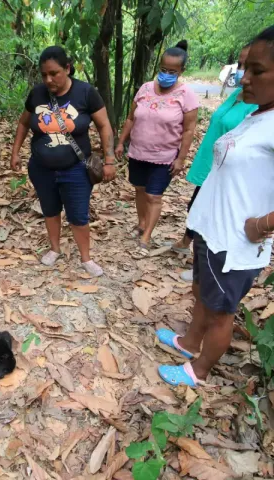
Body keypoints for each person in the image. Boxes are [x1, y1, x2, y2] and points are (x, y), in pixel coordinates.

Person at [156, 25, 274, 387]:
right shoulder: (258, 114)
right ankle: (191, 342)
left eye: (257, 70)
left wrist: (266, 223)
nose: (244, 79)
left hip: (236, 242)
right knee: (203, 295)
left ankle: (200, 370)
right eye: (244, 69)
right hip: (213, 230)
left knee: (222, 311)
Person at [11, 46, 116, 277]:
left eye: (54, 73)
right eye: (44, 74)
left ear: (67, 69)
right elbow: (23, 123)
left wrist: (110, 159)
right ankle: (54, 249)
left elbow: (104, 125)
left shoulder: (86, 93)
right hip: (41, 168)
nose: (49, 79)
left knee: (78, 215)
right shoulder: (37, 94)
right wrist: (15, 152)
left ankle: (86, 258)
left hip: (76, 168)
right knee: (50, 210)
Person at [170, 43, 258, 282]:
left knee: (213, 219)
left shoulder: (259, 106)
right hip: (211, 165)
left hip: (230, 173)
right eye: (239, 64)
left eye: (248, 66)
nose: (241, 71)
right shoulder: (235, 96)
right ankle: (198, 263)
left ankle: (205, 269)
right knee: (198, 210)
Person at [115, 40, 199, 257]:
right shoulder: (144, 88)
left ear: (181, 71)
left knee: (154, 196)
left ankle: (147, 236)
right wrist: (120, 142)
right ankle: (142, 223)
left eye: (172, 71)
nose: (166, 74)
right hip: (138, 153)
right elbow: (131, 118)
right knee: (140, 190)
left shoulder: (186, 94)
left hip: (164, 157)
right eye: (163, 69)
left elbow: (189, 130)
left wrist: (181, 159)